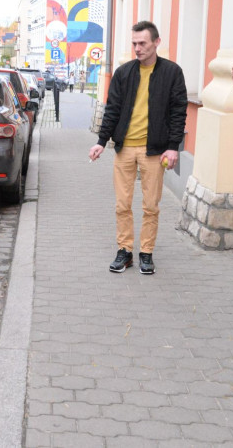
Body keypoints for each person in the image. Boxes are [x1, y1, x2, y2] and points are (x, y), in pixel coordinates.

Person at [89, 21, 187, 276]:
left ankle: (146, 253)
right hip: (124, 149)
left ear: (157, 42)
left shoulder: (172, 72)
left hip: (154, 151)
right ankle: (125, 251)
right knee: (122, 204)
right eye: (134, 43)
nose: (138, 48)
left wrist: (173, 147)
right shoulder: (124, 73)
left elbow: (178, 112)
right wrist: (101, 142)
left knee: (151, 206)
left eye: (142, 43)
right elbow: (112, 109)